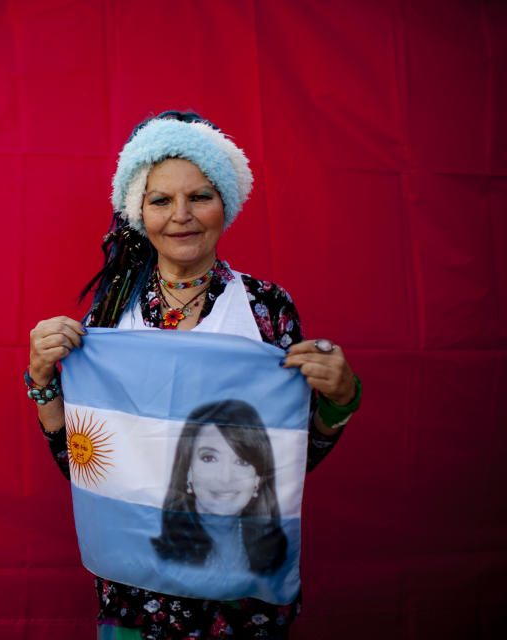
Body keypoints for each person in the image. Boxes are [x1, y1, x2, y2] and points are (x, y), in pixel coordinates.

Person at [26, 110, 362, 640]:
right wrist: (42, 380)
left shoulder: (265, 310)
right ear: (139, 212)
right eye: (161, 200)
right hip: (136, 593)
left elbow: (284, 464)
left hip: (240, 596)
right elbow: (86, 467)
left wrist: (341, 400)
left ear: (224, 203)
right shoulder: (110, 315)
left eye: (200, 196)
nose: (181, 215)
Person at [151, 400, 287, 578]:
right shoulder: (153, 552)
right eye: (209, 458)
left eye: (242, 461)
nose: (225, 478)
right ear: (187, 472)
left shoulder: (275, 550)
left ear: (258, 480)